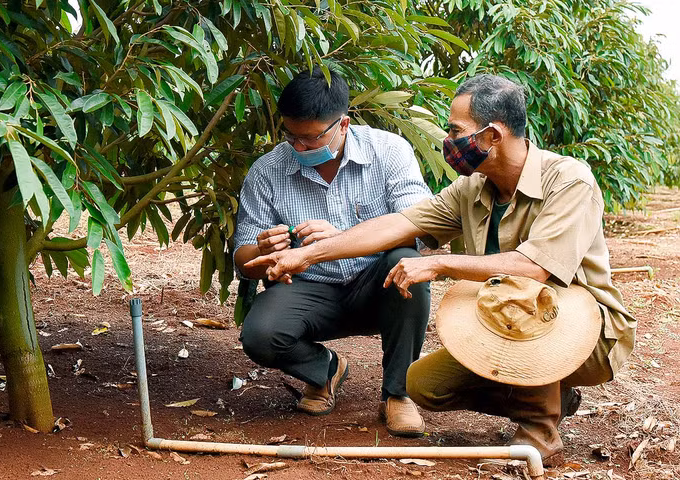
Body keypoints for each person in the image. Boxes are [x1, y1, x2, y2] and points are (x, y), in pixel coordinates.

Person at [247, 74, 635, 464]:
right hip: (505, 323)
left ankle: (539, 433)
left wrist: (438, 263)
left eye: (455, 130)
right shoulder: (473, 187)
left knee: (526, 295)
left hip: (587, 332)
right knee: (425, 386)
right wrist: (309, 255)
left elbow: (531, 269)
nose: (449, 141)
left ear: (492, 135)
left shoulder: (569, 180)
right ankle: (545, 393)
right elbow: (399, 224)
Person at [233, 68, 432, 437]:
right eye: (291, 136)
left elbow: (420, 227)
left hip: (379, 285)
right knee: (260, 335)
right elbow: (243, 261)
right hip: (310, 292)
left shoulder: (389, 152)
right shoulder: (268, 170)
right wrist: (261, 251)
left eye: (309, 139)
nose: (299, 148)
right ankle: (325, 369)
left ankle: (398, 394)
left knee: (408, 262)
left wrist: (339, 240)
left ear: (343, 124)